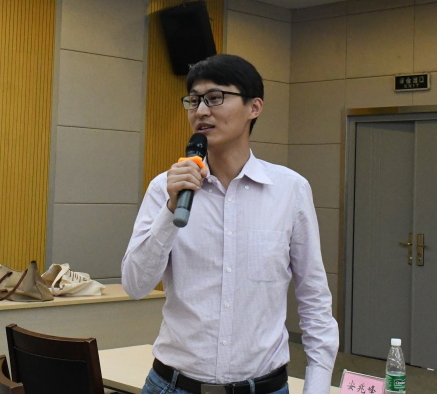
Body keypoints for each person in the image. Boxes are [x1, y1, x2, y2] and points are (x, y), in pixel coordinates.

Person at [122, 54, 338, 394]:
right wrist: (171, 209)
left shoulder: (290, 190)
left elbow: (314, 299)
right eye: (194, 100)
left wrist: (317, 387)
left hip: (263, 387)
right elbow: (135, 285)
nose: (201, 111)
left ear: (254, 107)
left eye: (215, 98)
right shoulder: (166, 187)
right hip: (174, 386)